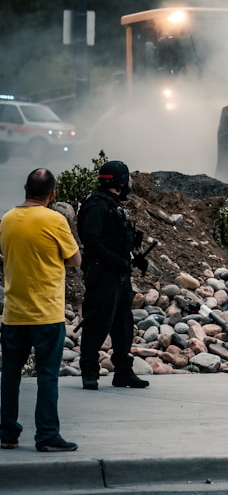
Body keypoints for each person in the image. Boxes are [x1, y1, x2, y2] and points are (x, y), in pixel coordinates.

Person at [1, 168, 82, 452]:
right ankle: (47, 435)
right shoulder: (54, 219)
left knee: (10, 375)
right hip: (46, 313)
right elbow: (74, 259)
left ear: (25, 188)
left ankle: (7, 432)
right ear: (53, 194)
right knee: (47, 375)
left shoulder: (7, 219)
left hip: (13, 312)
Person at [77, 160, 150, 390]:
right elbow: (92, 242)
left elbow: (113, 239)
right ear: (120, 182)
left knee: (123, 325)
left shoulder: (111, 204)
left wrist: (132, 257)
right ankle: (89, 372)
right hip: (104, 276)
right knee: (97, 324)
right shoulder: (98, 205)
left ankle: (123, 371)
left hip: (118, 275)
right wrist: (119, 261)